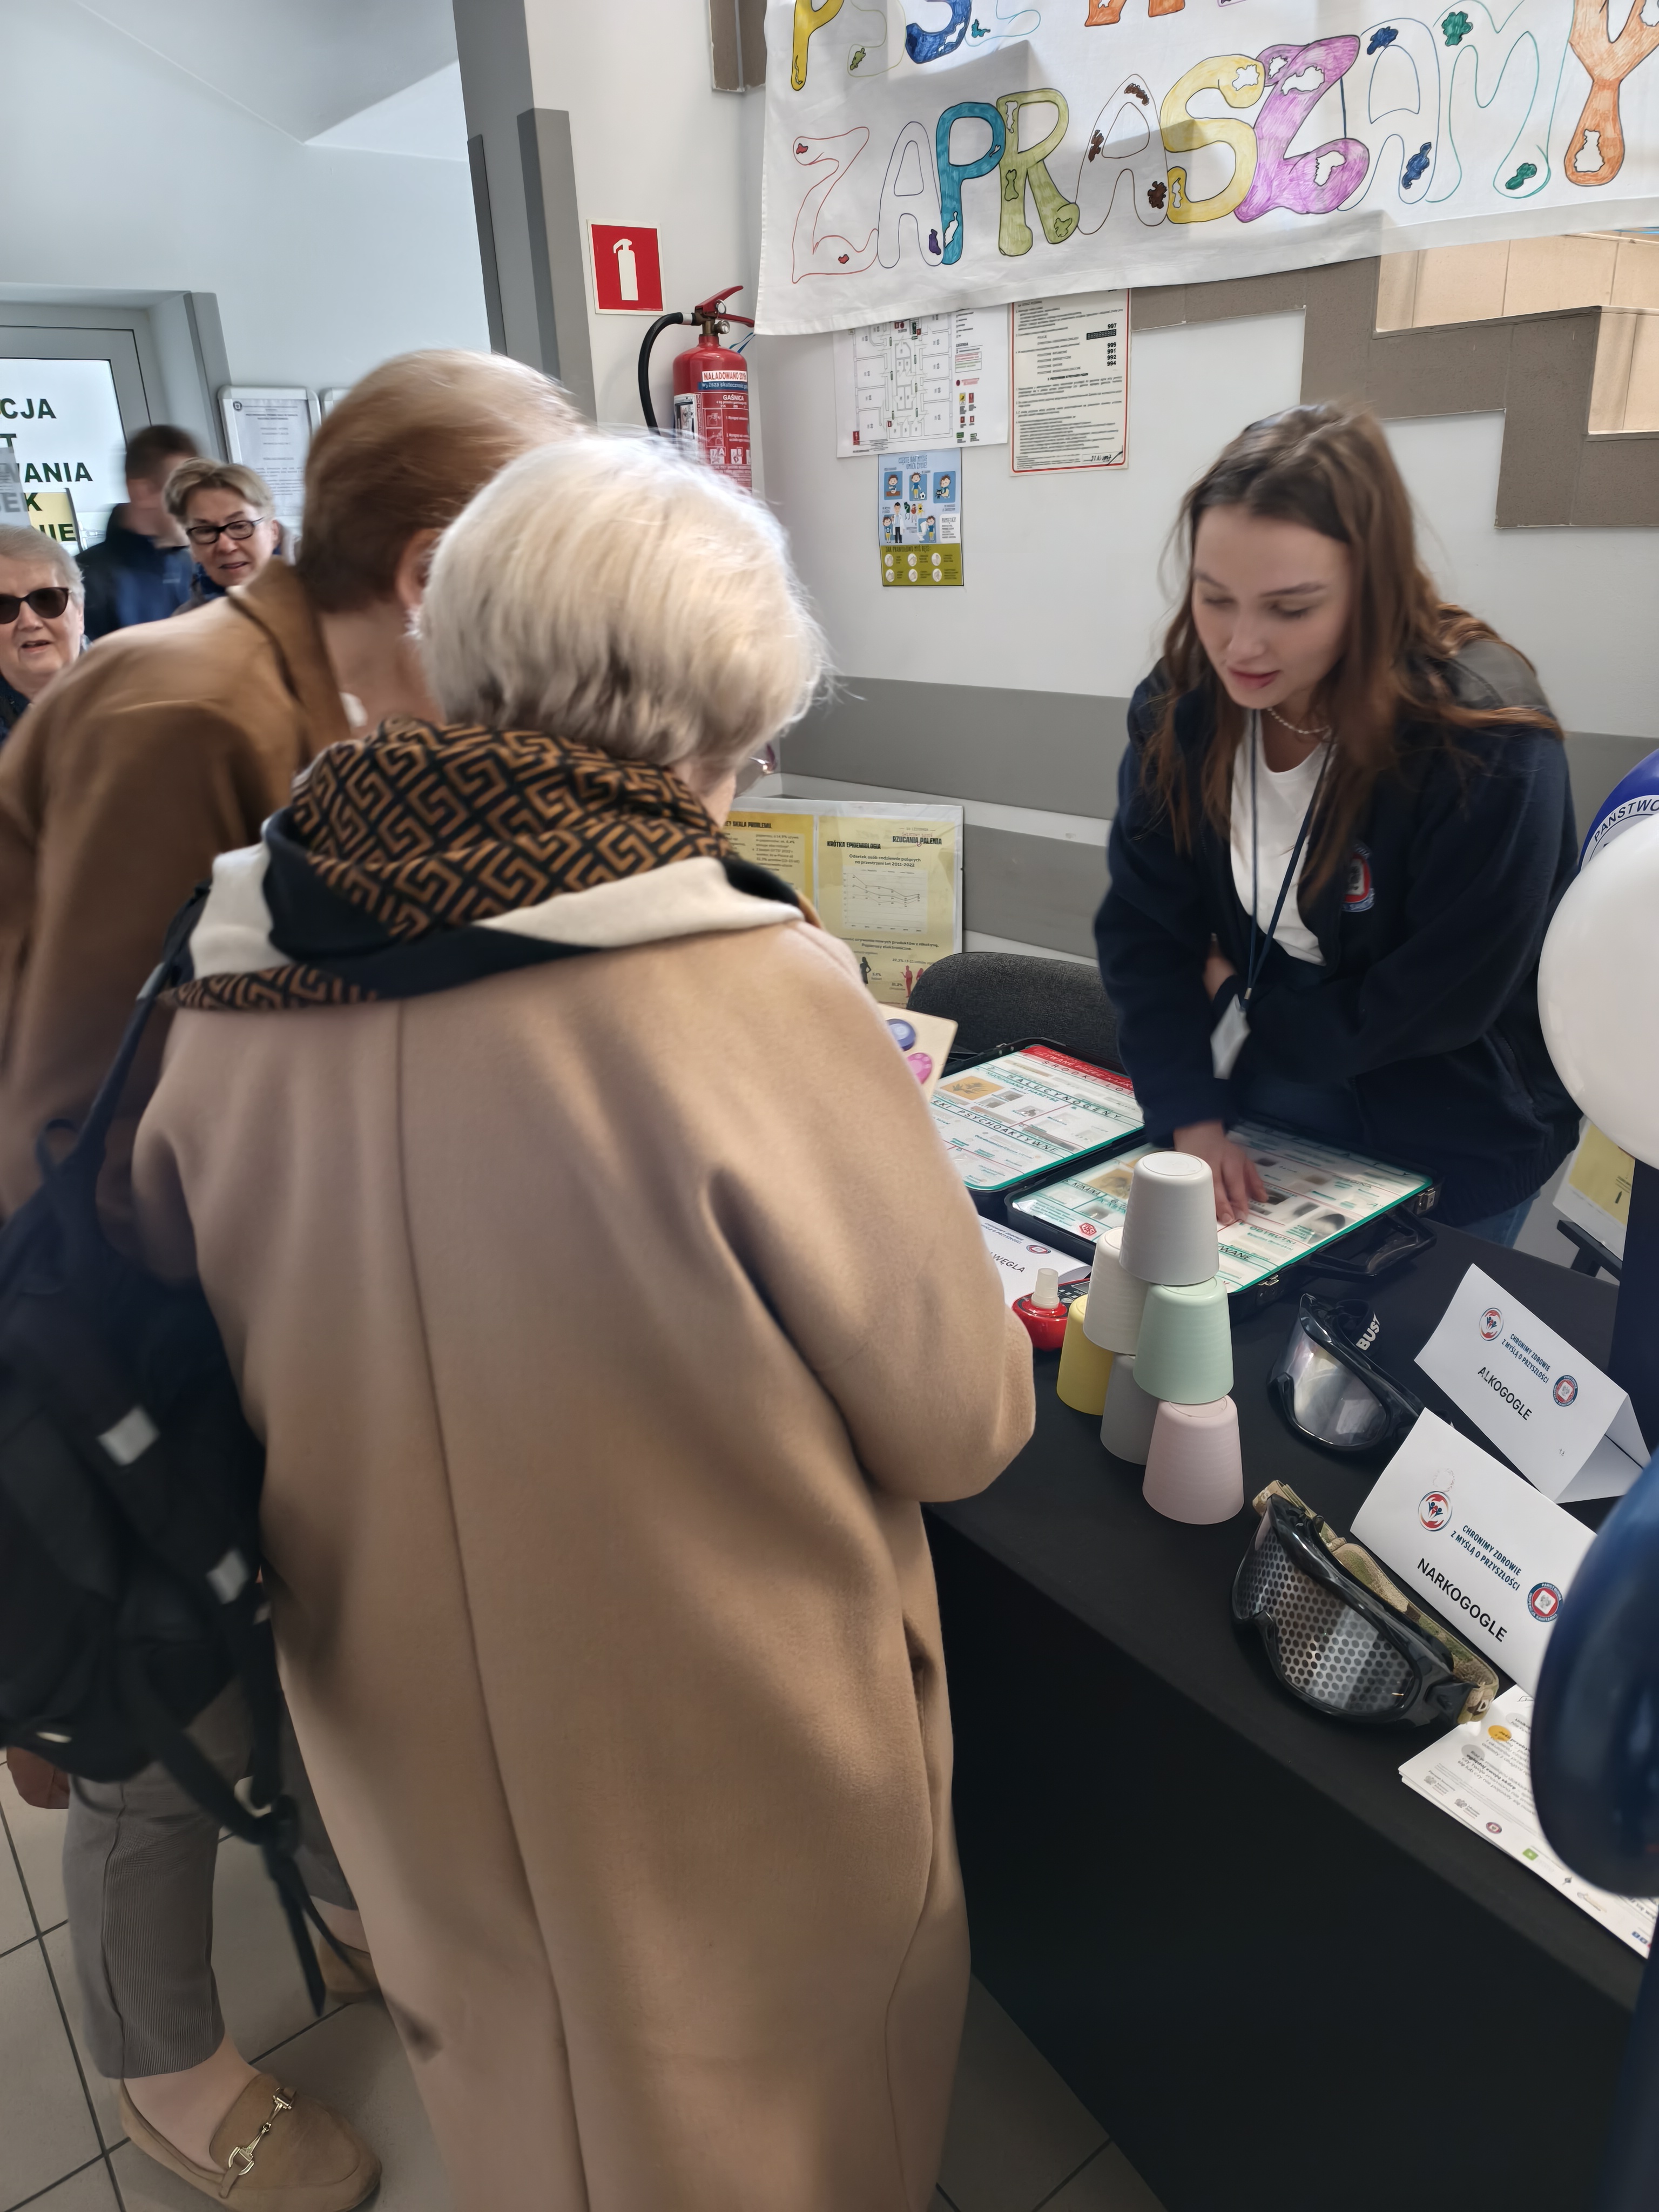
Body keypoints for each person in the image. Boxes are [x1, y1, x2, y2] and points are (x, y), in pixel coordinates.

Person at [131, 432, 1036, 2211]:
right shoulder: (745, 984)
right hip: (722, 1735)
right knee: (781, 2122)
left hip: (387, 1710)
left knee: (521, 2095)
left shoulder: (231, 968)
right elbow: (962, 1423)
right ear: (700, 728)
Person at [0, 349, 581, 2210]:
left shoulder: (334, 695)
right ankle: (165, 2058)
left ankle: (337, 1901)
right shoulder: (181, 704)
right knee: (164, 1691)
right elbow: (73, 1119)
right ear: (430, 571)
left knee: (309, 1629)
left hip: (236, 1302)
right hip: (93, 1313)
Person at [1095, 403, 1579, 1242]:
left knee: (1403, 1321)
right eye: (1215, 598)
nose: (1240, 646)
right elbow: (1145, 929)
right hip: (1270, 1083)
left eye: (1291, 608)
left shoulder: (1485, 739)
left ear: (1372, 591)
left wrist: (1240, 1005)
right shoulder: (1183, 707)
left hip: (1450, 1112)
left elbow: (1438, 1000)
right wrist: (1192, 1116)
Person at [77, 423, 199, 637]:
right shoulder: (83, 581)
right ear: (143, 492)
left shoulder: (194, 566)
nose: (196, 506)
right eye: (183, 492)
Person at [164, 457, 284, 610]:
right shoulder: (184, 621)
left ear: (273, 531)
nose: (226, 547)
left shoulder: (313, 600)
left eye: (240, 526)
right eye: (206, 531)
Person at [0, 525, 83, 741]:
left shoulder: (138, 693)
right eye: (3, 607)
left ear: (80, 613)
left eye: (46, 599)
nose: (29, 622)